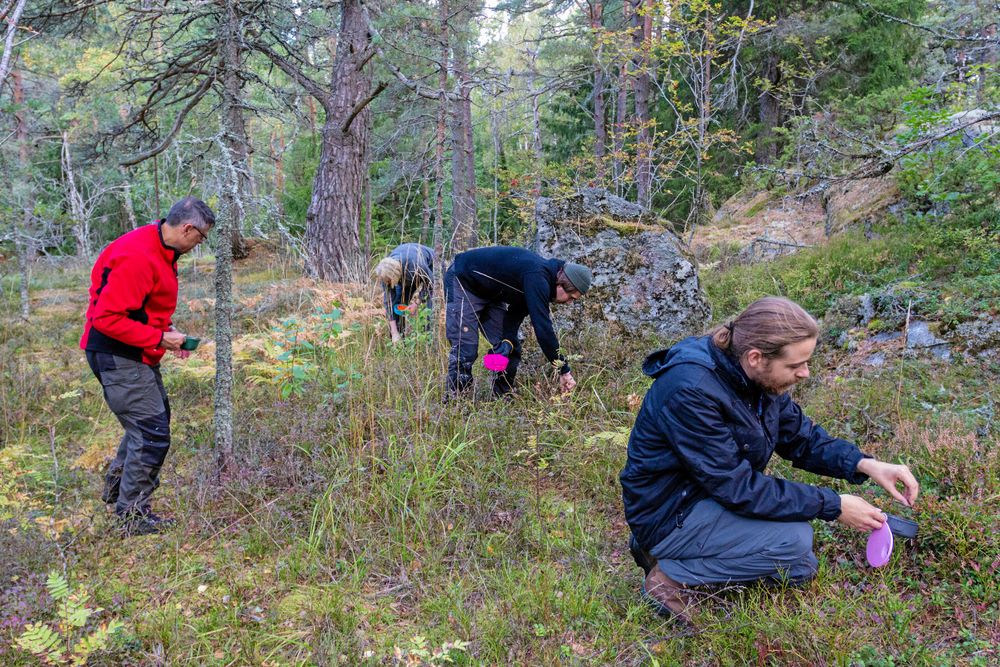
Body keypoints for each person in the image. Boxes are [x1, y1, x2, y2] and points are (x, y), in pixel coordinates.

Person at [620, 297, 919, 623]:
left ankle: (683, 552)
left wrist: (864, 464)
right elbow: (738, 488)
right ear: (756, 357)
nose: (805, 373)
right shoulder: (690, 390)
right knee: (794, 542)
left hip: (705, 494)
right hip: (669, 512)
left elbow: (802, 439)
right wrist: (834, 505)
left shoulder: (755, 379)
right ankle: (670, 577)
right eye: (795, 365)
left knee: (799, 568)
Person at [80, 197, 215, 536]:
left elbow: (142, 306)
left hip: (135, 353)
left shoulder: (162, 250)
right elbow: (107, 318)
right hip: (117, 355)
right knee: (152, 433)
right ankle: (132, 516)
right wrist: (158, 337)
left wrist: (167, 332)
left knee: (151, 422)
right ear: (187, 229)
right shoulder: (139, 256)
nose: (199, 244)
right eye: (201, 237)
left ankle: (117, 492)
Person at [445, 245, 592, 397]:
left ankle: (501, 396)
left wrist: (507, 339)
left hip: (491, 293)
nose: (569, 302)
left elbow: (515, 314)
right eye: (571, 297)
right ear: (562, 284)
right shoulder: (537, 278)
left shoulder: (541, 281)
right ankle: (456, 400)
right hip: (463, 280)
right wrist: (564, 370)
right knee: (466, 349)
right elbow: (543, 330)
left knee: (509, 348)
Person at [373, 243, 434, 343]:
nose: (387, 284)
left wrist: (416, 303)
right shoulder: (385, 273)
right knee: (398, 303)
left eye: (389, 281)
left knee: (429, 306)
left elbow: (431, 284)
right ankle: (399, 341)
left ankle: (428, 341)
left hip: (430, 266)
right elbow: (389, 302)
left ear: (395, 275)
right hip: (405, 272)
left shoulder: (416, 264)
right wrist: (394, 332)